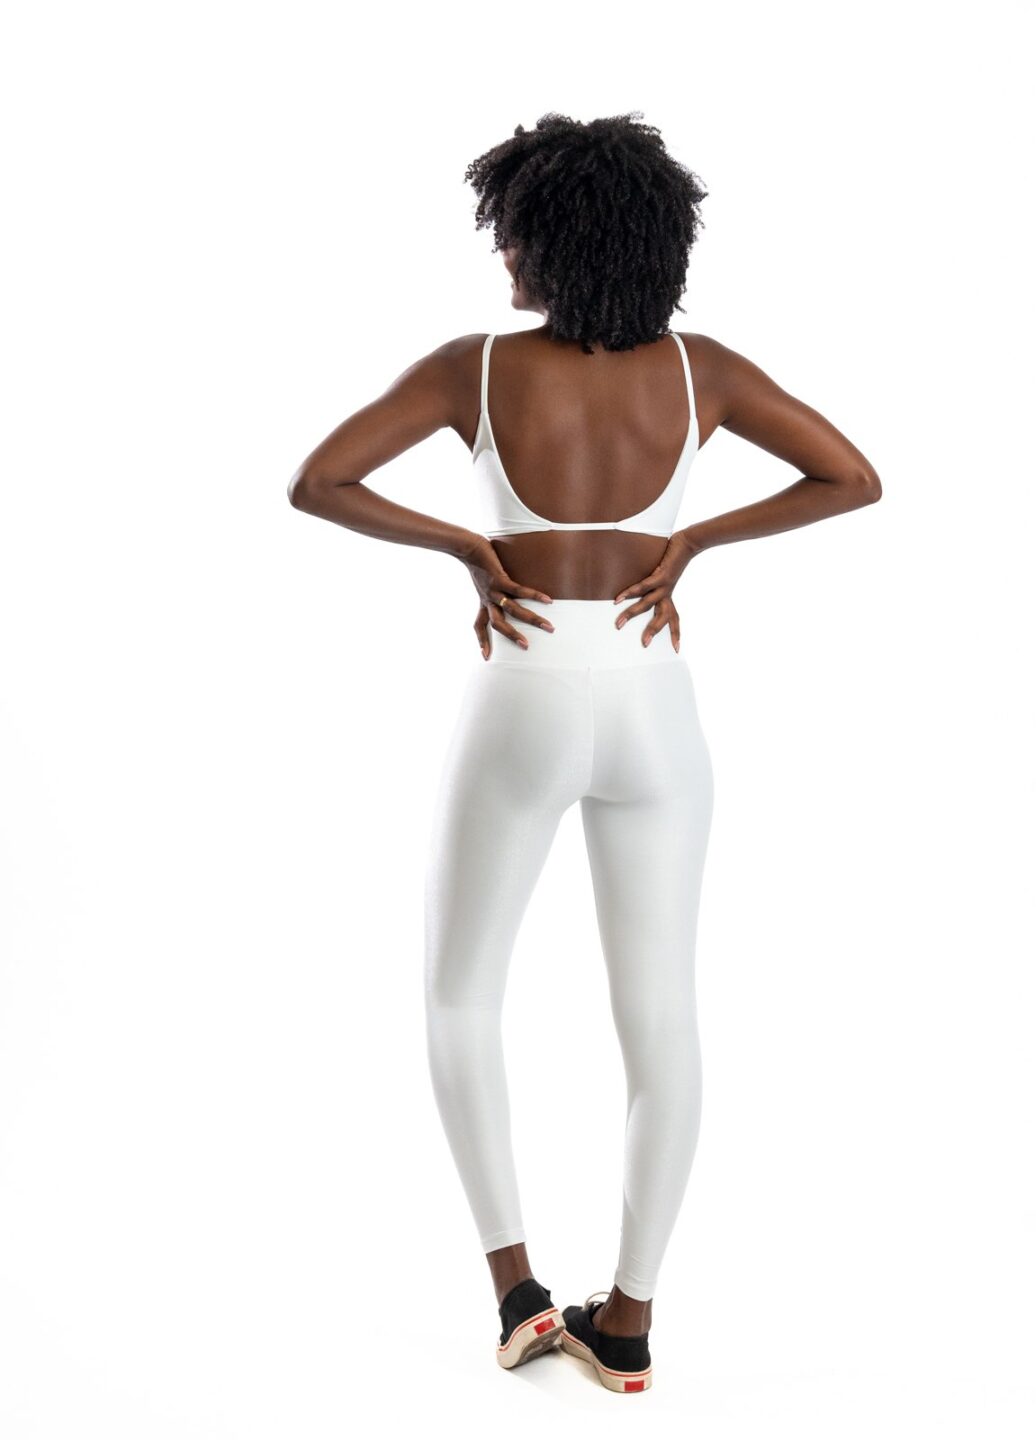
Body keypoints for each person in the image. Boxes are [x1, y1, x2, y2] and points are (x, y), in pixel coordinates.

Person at [287, 110, 881, 1393]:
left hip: (526, 692)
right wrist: (693, 540)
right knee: (663, 1017)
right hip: (657, 703)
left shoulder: (473, 370)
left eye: (513, 233)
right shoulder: (704, 373)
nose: (502, 255)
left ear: (553, 245)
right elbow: (851, 477)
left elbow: (319, 482)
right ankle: (629, 1325)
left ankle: (519, 1297)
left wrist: (468, 546)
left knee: (461, 993)